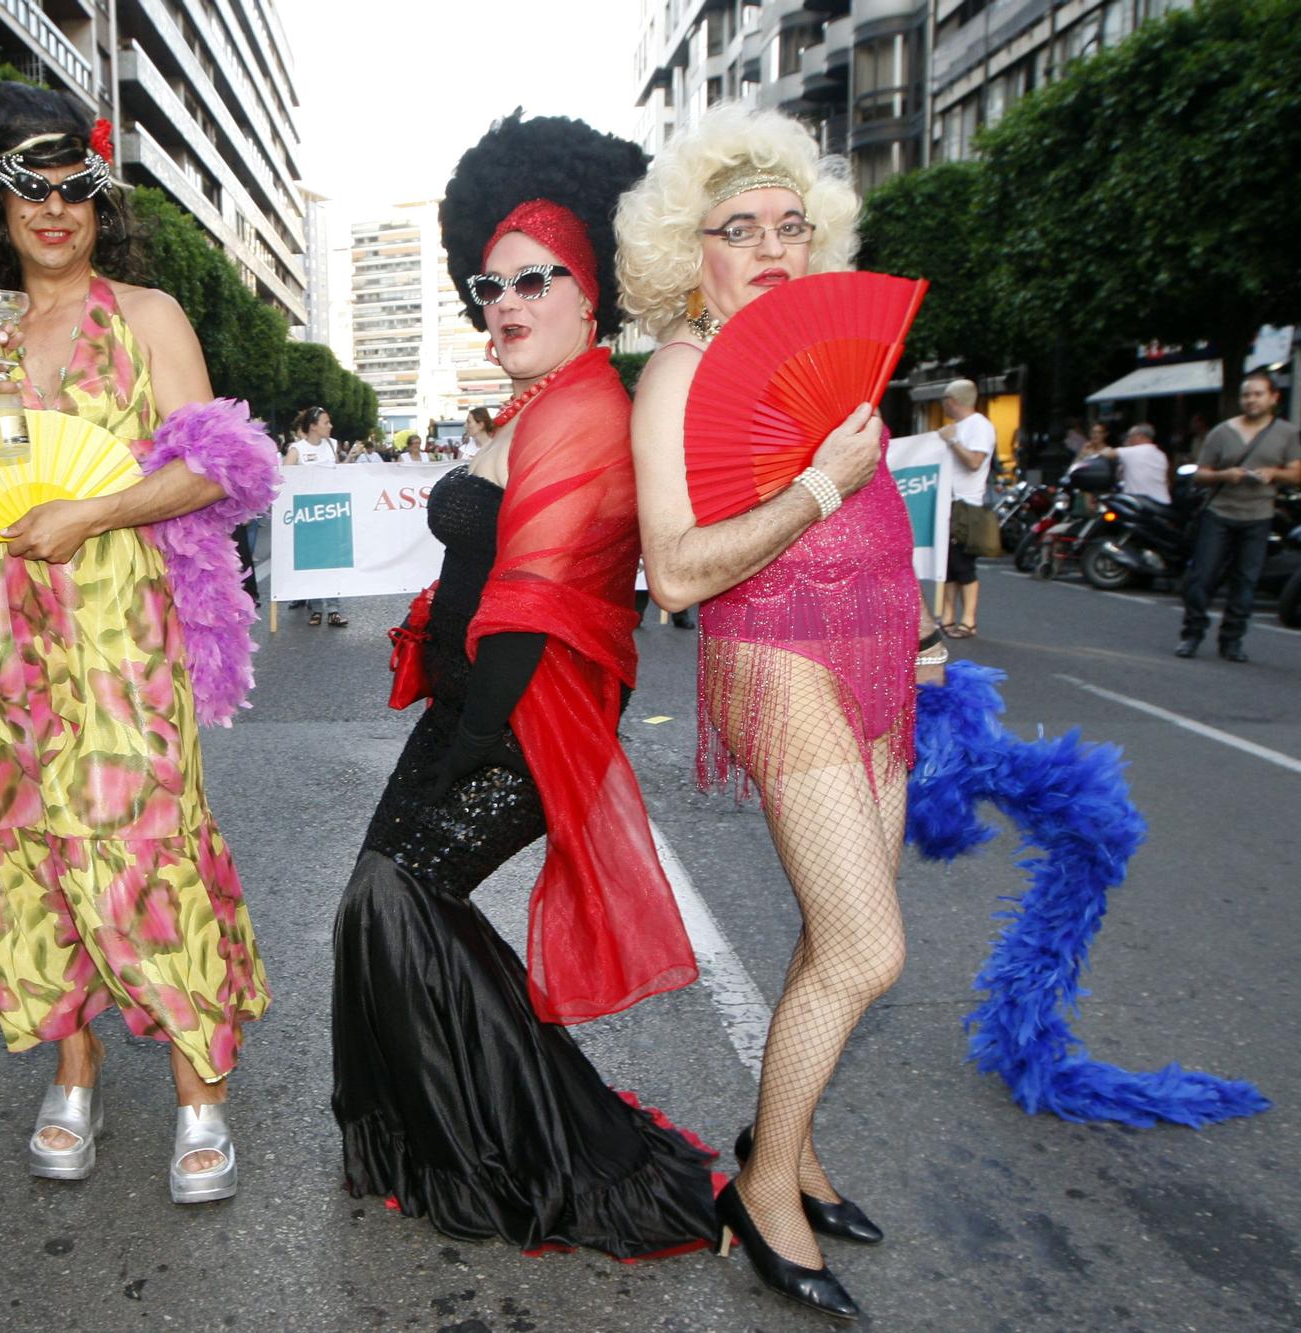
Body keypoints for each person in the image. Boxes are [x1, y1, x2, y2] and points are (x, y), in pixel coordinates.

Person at [0, 82, 273, 1203]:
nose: (52, 208)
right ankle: (73, 1071)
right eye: (25, 189)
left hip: (122, 629)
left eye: (72, 186)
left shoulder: (145, 317)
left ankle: (199, 1092)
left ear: (99, 200)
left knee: (145, 850)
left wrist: (93, 509)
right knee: (23, 851)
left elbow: (216, 464)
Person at [334, 111, 719, 1264]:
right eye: (486, 285)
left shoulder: (591, 408)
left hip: (518, 723)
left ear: (588, 291)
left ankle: (542, 1152)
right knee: (391, 905)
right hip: (476, 711)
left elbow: (539, 596)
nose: (502, 303)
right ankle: (440, 1135)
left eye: (533, 281)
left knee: (394, 903)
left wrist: (471, 742)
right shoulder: (539, 404)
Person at [619, 103, 945, 1321]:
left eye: (789, 225)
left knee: (836, 926)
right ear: (683, 248)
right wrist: (820, 480)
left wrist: (911, 624)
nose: (769, 244)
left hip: (870, 653)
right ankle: (759, 1191)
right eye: (736, 226)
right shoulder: (681, 375)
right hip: (774, 658)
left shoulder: (832, 358)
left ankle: (790, 1144)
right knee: (868, 949)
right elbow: (678, 572)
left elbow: (877, 511)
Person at [1177, 370, 1301, 662]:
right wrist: (1224, 474)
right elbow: (1200, 474)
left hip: (1258, 516)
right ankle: (1192, 634)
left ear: (1273, 398)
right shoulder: (1221, 432)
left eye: (1258, 394)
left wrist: (1274, 473)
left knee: (1245, 582)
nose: (1251, 400)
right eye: (1246, 394)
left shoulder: (1287, 433)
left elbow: (1297, 473)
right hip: (1219, 513)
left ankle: (1232, 640)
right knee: (1202, 578)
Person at [935, 379, 995, 638]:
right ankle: (948, 616)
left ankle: (968, 620)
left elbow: (974, 462)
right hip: (950, 502)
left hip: (966, 503)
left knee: (962, 563)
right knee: (948, 564)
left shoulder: (979, 426)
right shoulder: (958, 427)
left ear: (953, 400)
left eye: (944, 400)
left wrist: (952, 442)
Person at [284, 406, 346, 626]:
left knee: (332, 562)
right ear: (312, 426)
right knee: (312, 563)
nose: (330, 426)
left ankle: (334, 609)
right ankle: (316, 608)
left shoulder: (333, 445)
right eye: (326, 422)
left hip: (332, 513)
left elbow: (339, 474)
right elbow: (284, 479)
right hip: (307, 516)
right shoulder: (297, 450)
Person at [1087, 421, 1171, 505]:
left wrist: (1090, 451)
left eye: (1130, 436)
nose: (1128, 439)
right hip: (1162, 502)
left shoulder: (1131, 452)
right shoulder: (1161, 455)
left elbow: (1106, 453)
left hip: (1140, 503)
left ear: (1139, 436)